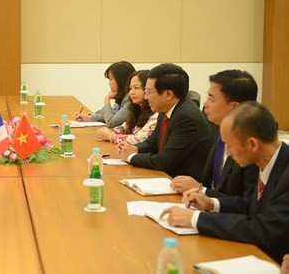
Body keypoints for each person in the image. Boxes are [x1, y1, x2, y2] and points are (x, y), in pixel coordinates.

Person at [161, 101, 289, 264]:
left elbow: (264, 229)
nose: (227, 153)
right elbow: (251, 206)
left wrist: (196, 219)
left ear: (252, 144)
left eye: (229, 146)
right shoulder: (268, 160)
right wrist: (211, 204)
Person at [171, 70, 259, 197]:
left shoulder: (252, 145)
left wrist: (202, 191)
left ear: (234, 107)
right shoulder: (221, 129)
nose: (205, 104)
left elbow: (247, 205)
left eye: (211, 99)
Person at [116, 63, 213, 180]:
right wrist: (135, 149)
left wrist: (131, 157)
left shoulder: (185, 117)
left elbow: (165, 161)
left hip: (183, 185)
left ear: (168, 94)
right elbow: (152, 143)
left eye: (148, 92)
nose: (146, 97)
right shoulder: (166, 109)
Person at [95, 70, 158, 144]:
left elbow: (139, 139)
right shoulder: (138, 109)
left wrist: (111, 136)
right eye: (130, 88)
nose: (131, 92)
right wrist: (110, 131)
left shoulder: (156, 114)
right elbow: (124, 127)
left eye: (136, 88)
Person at [75, 61, 135, 128]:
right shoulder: (122, 97)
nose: (109, 83)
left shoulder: (130, 100)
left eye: (111, 79)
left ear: (121, 80)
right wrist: (90, 118)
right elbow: (112, 113)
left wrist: (107, 100)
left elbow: (111, 123)